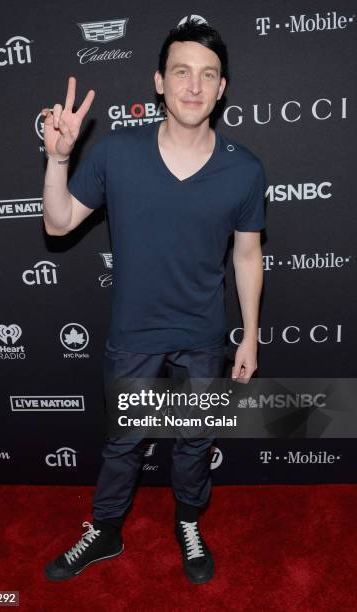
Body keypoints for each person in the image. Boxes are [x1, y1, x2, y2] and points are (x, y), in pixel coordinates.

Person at [42, 19, 266, 585]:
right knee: (123, 442)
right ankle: (107, 531)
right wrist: (59, 159)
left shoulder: (245, 169)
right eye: (182, 72)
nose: (194, 85)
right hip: (134, 334)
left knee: (194, 441)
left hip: (202, 335)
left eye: (208, 75)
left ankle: (188, 522)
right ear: (159, 82)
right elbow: (59, 221)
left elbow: (246, 256)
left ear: (222, 89)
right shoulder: (116, 153)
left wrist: (251, 332)